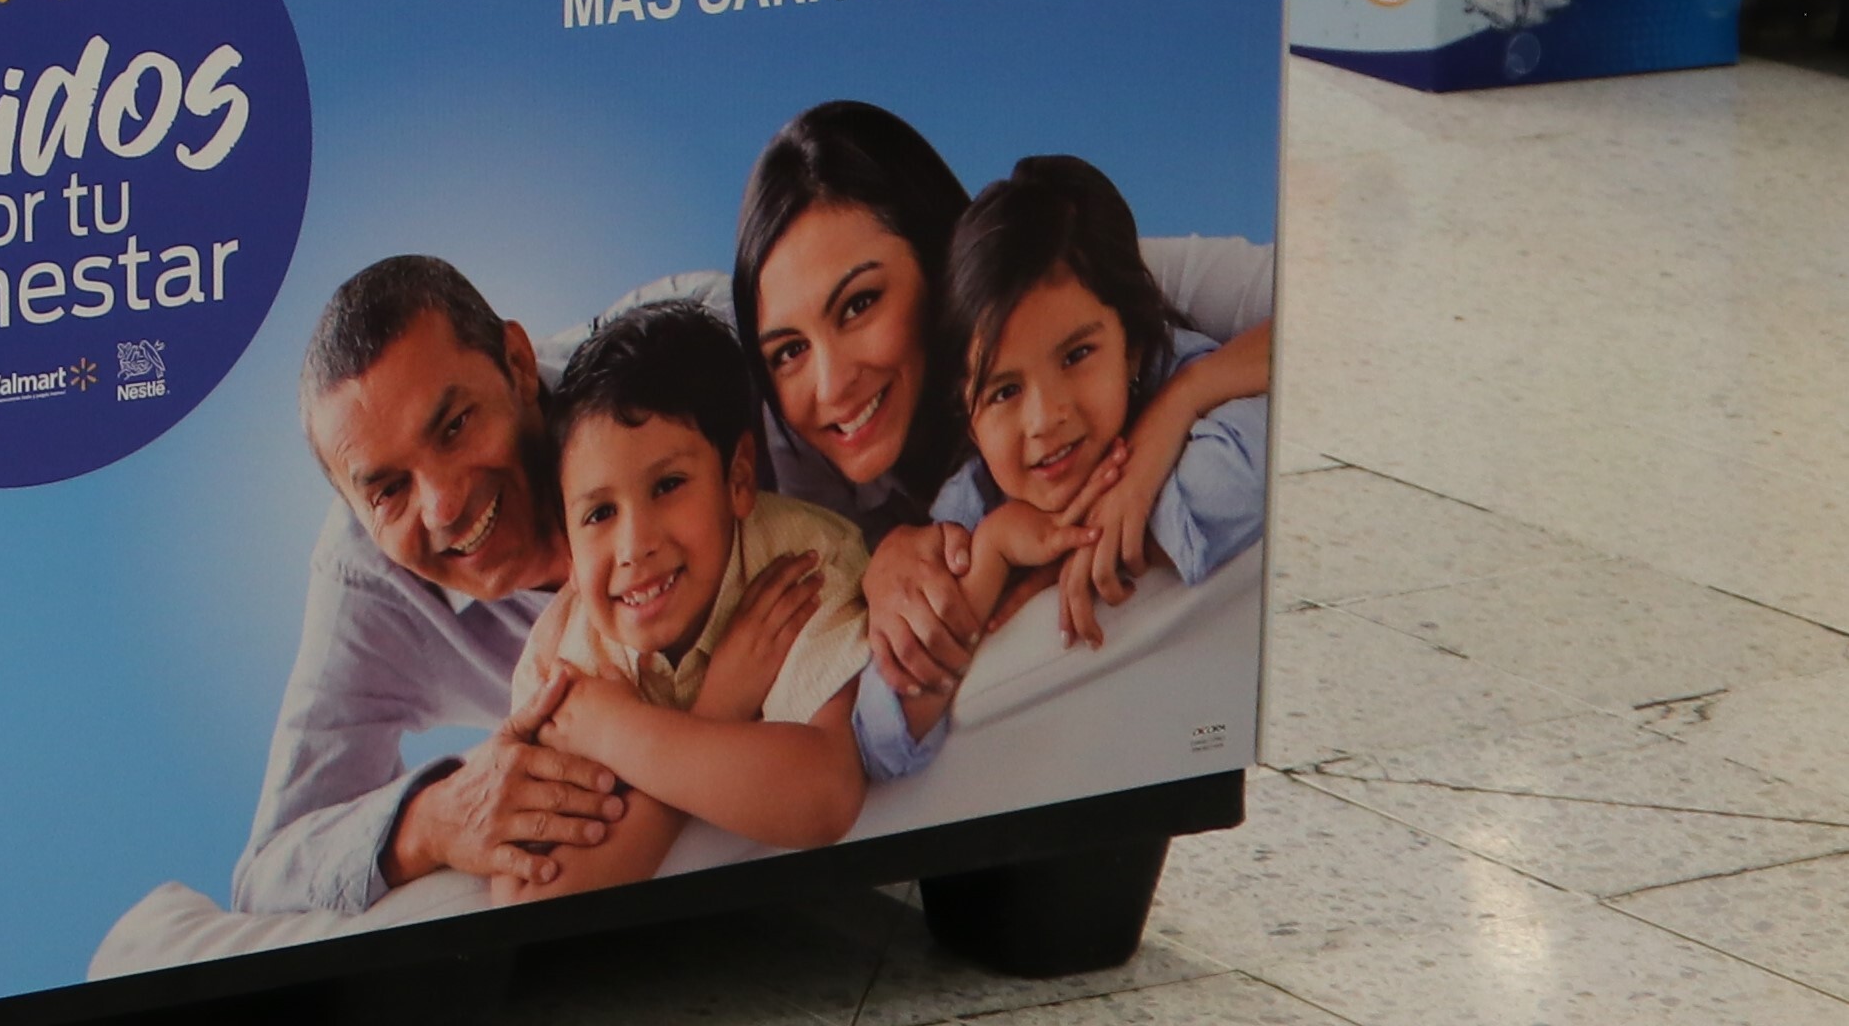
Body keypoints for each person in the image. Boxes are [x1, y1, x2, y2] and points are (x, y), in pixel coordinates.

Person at [730, 101, 1271, 730]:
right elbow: (873, 711)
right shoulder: (792, 447)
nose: (831, 386)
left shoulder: (1068, 276)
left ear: (943, 264)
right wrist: (882, 567)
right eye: (791, 350)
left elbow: (1332, 304)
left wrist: (1178, 407)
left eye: (859, 304)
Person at [236, 256, 748, 915]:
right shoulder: (366, 584)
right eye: (390, 491)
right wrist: (432, 822)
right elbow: (270, 872)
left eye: (453, 427)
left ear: (516, 362)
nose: (443, 504)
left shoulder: (699, 351)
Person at [858, 155, 1278, 779]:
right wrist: (997, 551)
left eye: (1077, 354)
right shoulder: (975, 500)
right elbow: (883, 734)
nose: (1044, 418)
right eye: (1002, 392)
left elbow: (1237, 479)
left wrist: (1169, 420)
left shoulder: (1205, 398)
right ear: (967, 418)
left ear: (1133, 343)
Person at [474, 299, 871, 893]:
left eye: (668, 485)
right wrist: (718, 710)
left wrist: (615, 733)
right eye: (600, 513)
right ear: (568, 542)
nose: (635, 546)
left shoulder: (800, 567)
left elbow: (826, 796)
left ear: (738, 479)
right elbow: (531, 893)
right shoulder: (560, 662)